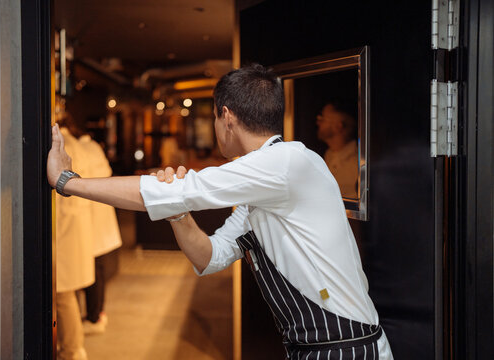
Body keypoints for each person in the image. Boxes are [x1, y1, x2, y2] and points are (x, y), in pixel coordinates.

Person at [47, 64, 393, 359]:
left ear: (225, 116)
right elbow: (208, 258)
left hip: (347, 344)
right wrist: (178, 213)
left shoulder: (288, 162)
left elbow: (180, 190)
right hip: (311, 345)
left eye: (213, 116)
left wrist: (67, 182)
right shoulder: (262, 188)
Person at [55, 115, 94, 360]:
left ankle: (71, 350)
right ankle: (72, 347)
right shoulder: (77, 145)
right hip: (76, 225)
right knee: (68, 293)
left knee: (63, 294)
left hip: (65, 228)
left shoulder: (63, 146)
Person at [77, 135, 122, 335]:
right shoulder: (94, 146)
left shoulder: (79, 150)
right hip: (101, 217)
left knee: (92, 271)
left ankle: (95, 317)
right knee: (98, 269)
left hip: (91, 218)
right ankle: (97, 314)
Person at [316, 101, 359, 198]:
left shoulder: (357, 164)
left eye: (322, 118)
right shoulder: (328, 155)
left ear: (338, 127)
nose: (318, 122)